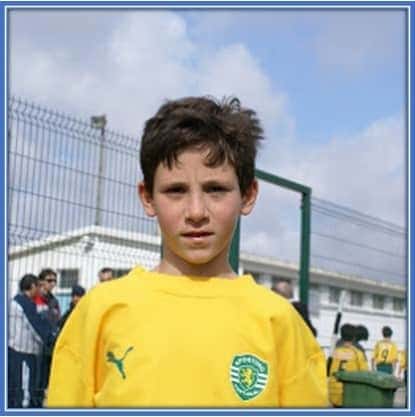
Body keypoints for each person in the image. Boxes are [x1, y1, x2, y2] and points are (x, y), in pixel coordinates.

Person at [47, 96, 328, 408]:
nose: (196, 211)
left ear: (248, 195)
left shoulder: (281, 323)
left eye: (215, 189)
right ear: (147, 197)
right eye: (176, 191)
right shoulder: (99, 312)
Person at [8, 274, 53, 408]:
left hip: (16, 352)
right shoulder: (24, 304)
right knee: (24, 392)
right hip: (23, 354)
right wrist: (52, 338)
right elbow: (37, 328)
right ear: (32, 286)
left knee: (16, 389)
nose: (40, 290)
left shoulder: (16, 301)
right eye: (38, 286)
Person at [328, 323, 368, 407]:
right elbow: (365, 374)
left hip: (333, 393)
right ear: (354, 337)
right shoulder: (358, 353)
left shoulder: (334, 353)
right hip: (350, 393)